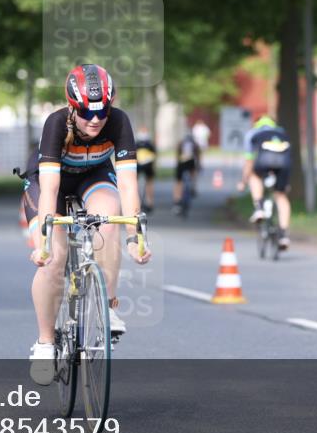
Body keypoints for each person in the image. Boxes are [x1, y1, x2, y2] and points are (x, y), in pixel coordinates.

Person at [20, 64, 152, 385]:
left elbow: (128, 185)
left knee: (109, 221)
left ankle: (107, 306)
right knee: (55, 257)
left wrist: (136, 237)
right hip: (52, 181)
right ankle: (45, 342)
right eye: (86, 113)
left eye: (102, 112)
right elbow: (50, 190)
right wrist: (45, 243)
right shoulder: (55, 124)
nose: (95, 120)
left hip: (92, 176)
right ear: (71, 106)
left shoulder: (118, 122)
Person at [237, 115, 292, 249]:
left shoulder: (253, 133)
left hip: (263, 162)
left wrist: (244, 181)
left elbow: (249, 160)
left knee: (254, 176)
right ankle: (283, 235)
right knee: (281, 196)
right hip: (284, 165)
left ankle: (259, 207)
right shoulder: (281, 132)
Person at [172, 129, 201, 213]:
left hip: (181, 163)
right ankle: (193, 187)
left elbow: (177, 155)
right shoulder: (195, 144)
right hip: (191, 162)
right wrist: (199, 165)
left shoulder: (181, 143)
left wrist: (177, 163)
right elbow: (198, 156)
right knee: (193, 174)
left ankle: (177, 200)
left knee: (178, 182)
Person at [135, 127, 157, 212]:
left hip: (138, 165)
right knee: (149, 183)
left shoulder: (136, 144)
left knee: (134, 183)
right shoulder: (150, 144)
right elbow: (154, 156)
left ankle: (136, 202)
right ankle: (150, 202)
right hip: (148, 165)